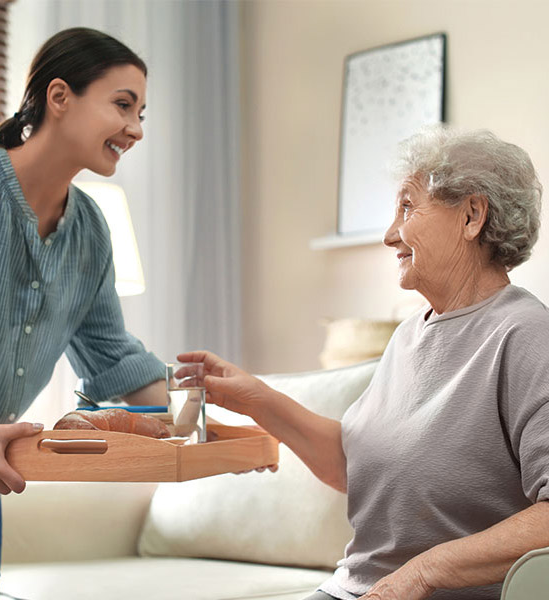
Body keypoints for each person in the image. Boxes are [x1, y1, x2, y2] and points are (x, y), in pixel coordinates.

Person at [180, 126, 549, 600]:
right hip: (353, 589)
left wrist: (424, 572)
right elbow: (353, 466)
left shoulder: (524, 334)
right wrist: (259, 400)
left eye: (407, 207)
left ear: (472, 216)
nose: (389, 235)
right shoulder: (408, 336)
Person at [0, 27, 166, 598]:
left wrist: (208, 419)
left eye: (142, 113)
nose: (136, 129)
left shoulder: (91, 231)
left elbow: (113, 357)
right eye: (123, 105)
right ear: (60, 96)